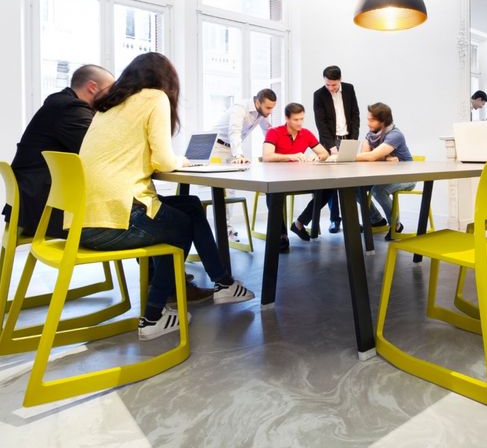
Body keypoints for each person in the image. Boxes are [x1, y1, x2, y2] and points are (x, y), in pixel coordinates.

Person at [76, 53, 255, 341]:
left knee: (190, 205)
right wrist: (180, 160)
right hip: (117, 220)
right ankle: (153, 316)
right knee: (181, 226)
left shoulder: (108, 106)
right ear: (166, 80)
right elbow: (162, 160)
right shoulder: (155, 97)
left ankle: (223, 284)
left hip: (84, 222)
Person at [4, 65, 114, 237]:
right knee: (135, 221)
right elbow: (100, 151)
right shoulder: (71, 108)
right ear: (92, 87)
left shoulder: (60, 103)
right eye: (110, 90)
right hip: (43, 206)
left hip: (30, 201)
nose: (113, 96)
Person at [210, 89, 277, 241]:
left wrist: (275, 150)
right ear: (258, 102)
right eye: (268, 107)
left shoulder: (261, 113)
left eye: (272, 108)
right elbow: (234, 131)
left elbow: (269, 131)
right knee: (225, 190)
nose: (270, 111)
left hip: (231, 148)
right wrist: (238, 155)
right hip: (218, 147)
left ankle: (226, 229)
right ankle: (225, 231)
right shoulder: (240, 107)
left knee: (230, 190)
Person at [262, 103, 330, 249]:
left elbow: (324, 153)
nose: (299, 123)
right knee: (273, 192)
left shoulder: (306, 133)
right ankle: (281, 234)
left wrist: (317, 157)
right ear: (287, 118)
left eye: (301, 119)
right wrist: (290, 156)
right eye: (295, 119)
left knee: (329, 189)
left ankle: (299, 223)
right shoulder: (274, 132)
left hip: (300, 178)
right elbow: (267, 156)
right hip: (278, 178)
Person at [356, 103, 414, 241]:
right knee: (355, 189)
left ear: (382, 121)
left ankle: (396, 225)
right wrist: (384, 157)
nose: (368, 123)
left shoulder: (395, 135)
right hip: (384, 176)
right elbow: (365, 158)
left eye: (371, 120)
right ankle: (376, 219)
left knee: (378, 191)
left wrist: (343, 157)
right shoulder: (370, 135)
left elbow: (370, 156)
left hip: (407, 176)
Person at [312, 65, 360, 233]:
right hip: (329, 142)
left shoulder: (349, 89)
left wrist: (353, 141)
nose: (331, 88)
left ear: (340, 80)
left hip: (347, 139)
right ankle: (334, 220)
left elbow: (355, 115)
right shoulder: (319, 95)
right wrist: (332, 147)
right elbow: (321, 124)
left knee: (350, 182)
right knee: (332, 183)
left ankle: (352, 220)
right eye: (327, 84)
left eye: (334, 84)